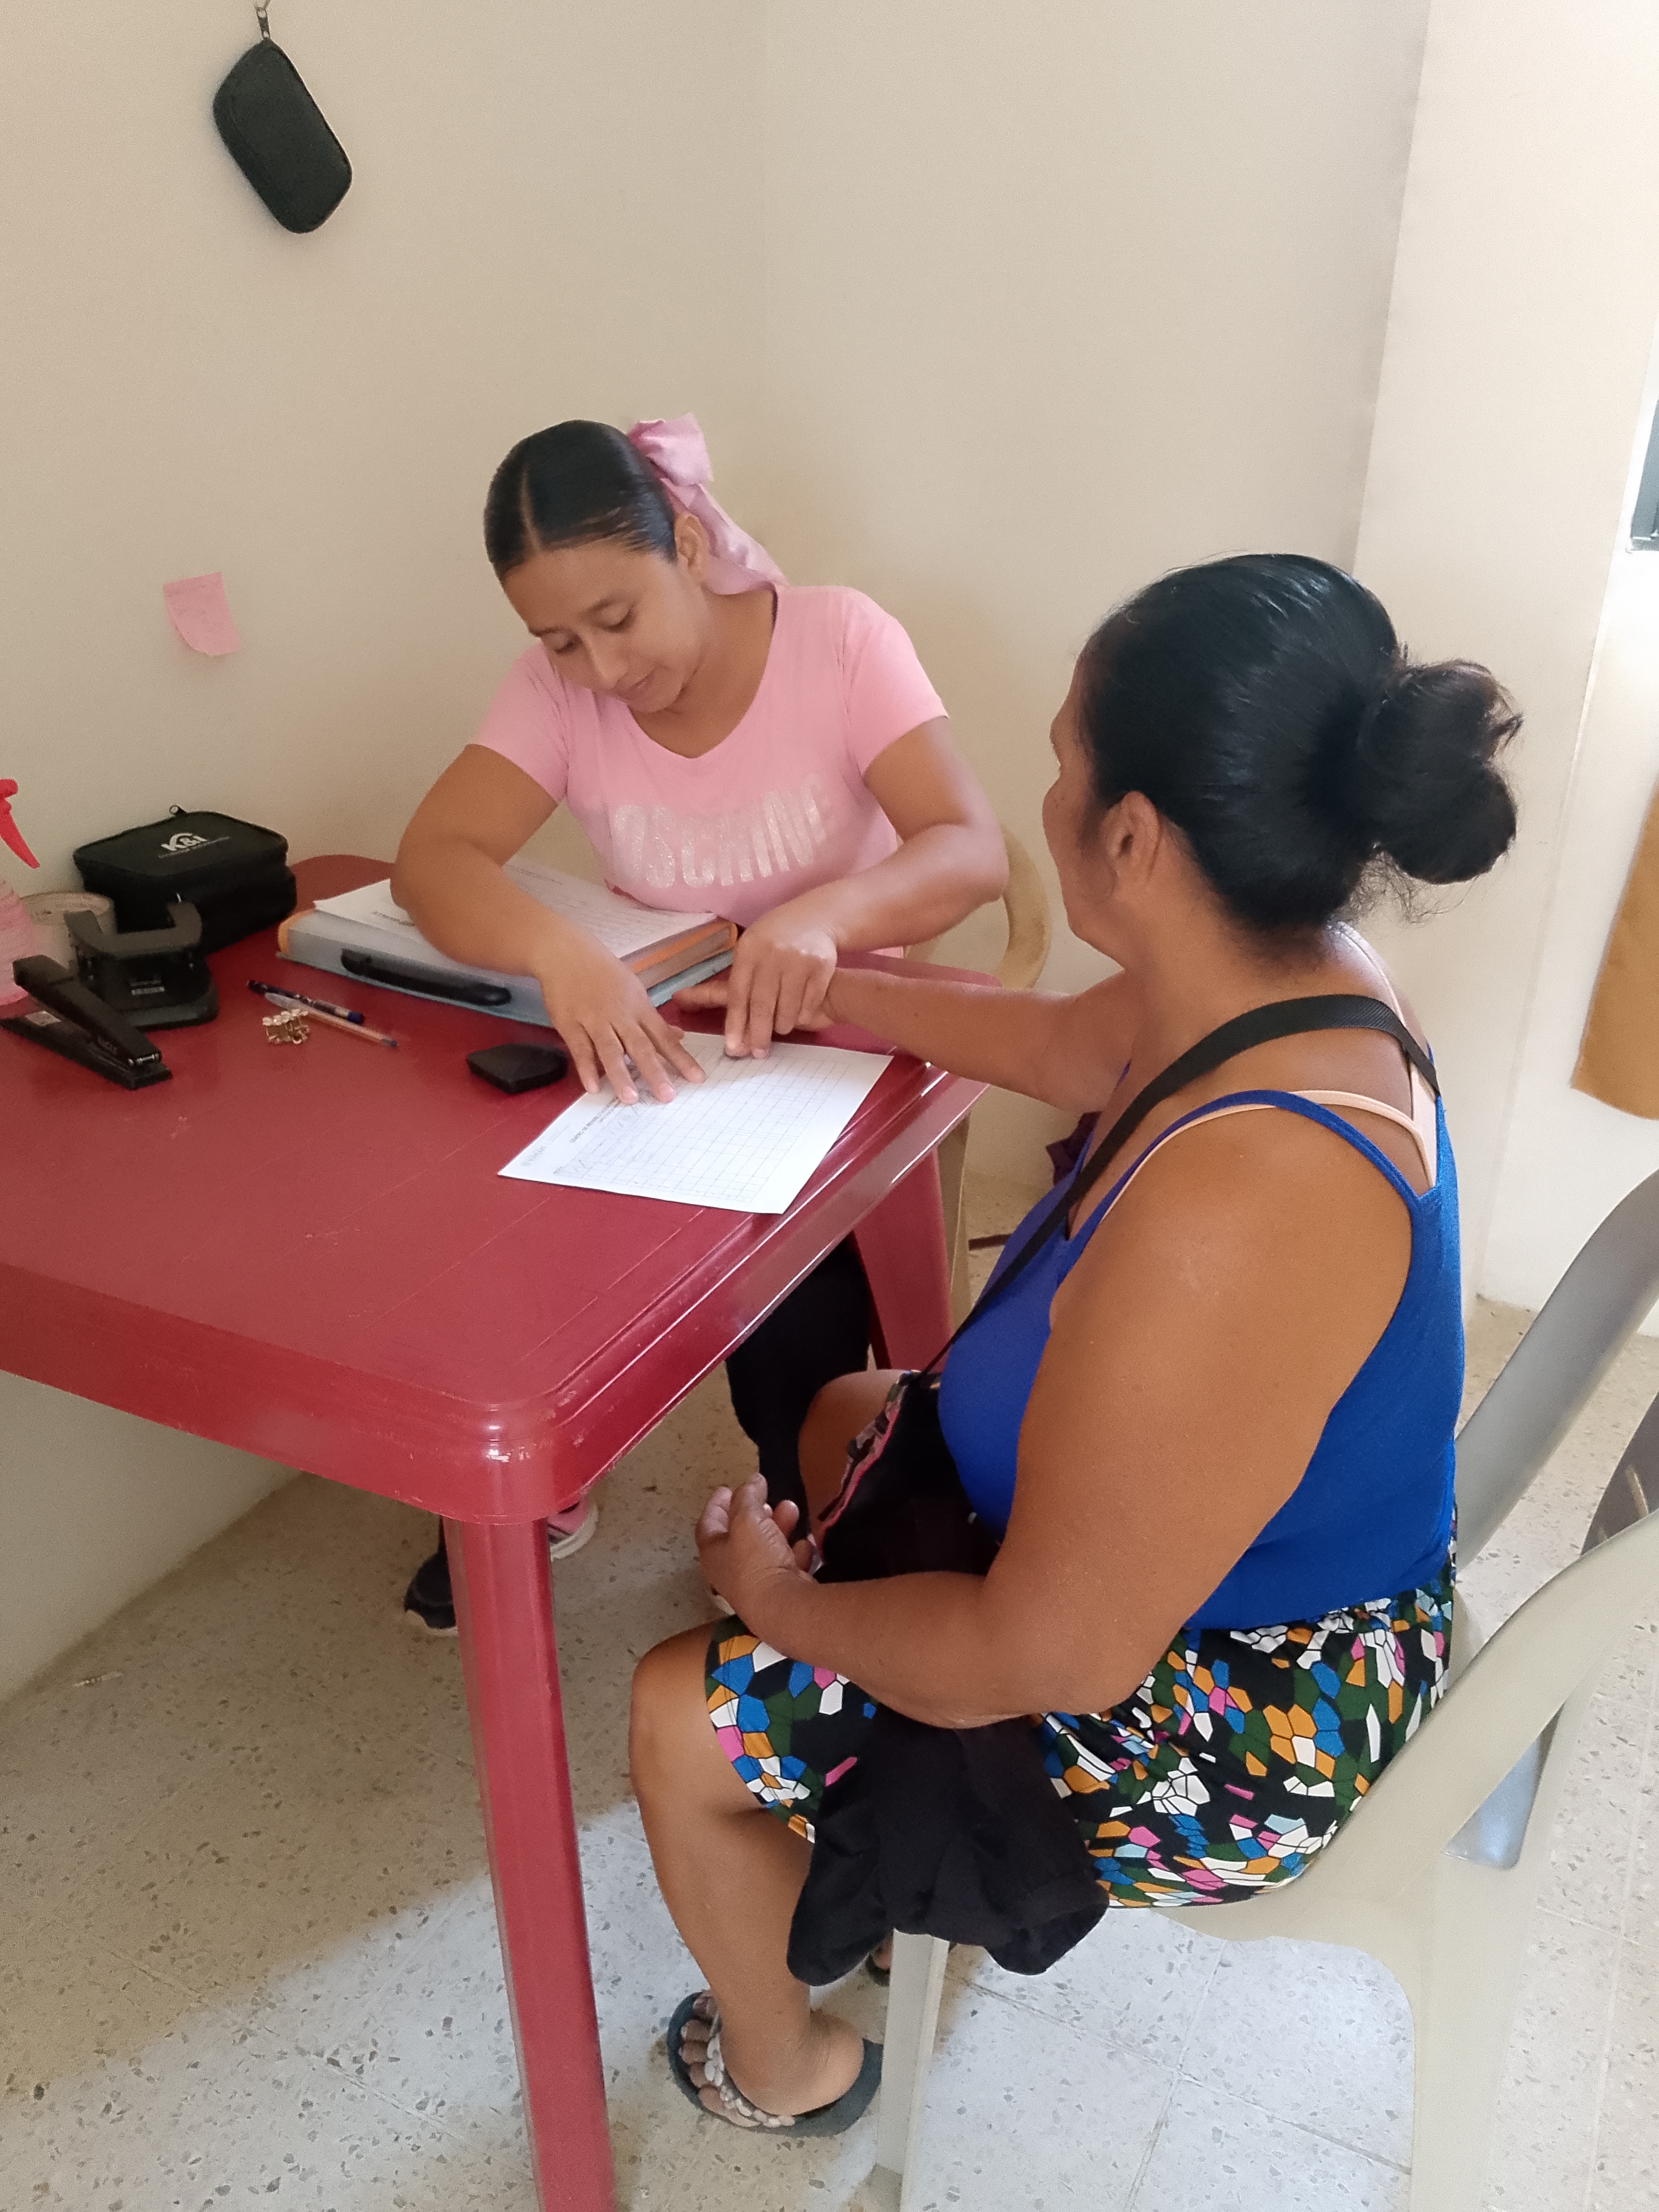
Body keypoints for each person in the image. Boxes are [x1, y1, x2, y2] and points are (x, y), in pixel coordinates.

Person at [627, 552, 1519, 2133]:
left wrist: (775, 1601)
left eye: (1060, 765)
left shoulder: (1244, 1200)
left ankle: (786, 2070)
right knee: (839, 1418)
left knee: (670, 1708)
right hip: (1225, 1575)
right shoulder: (1282, 977)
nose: (1044, 794)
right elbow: (1058, 1042)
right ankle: (878, 1866)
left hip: (1246, 1713)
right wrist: (818, 989)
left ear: (1135, 836)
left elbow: (1053, 1657)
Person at [391, 416, 1007, 1630]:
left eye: (617, 618)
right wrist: (557, 950)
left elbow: (968, 847)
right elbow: (434, 859)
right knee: (505, 1227)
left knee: (788, 1324)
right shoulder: (555, 695)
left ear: (684, 544)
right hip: (662, 1044)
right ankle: (542, 1481)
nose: (600, 670)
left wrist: (826, 915)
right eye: (560, 641)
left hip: (831, 1051)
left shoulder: (838, 640)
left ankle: (806, 1521)